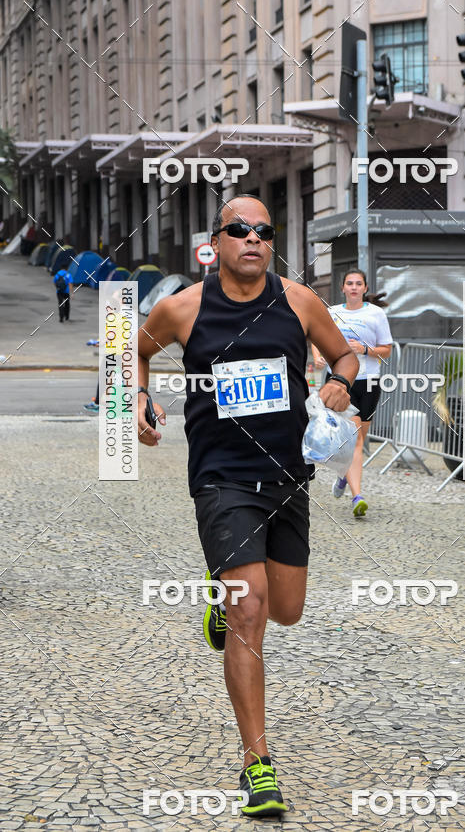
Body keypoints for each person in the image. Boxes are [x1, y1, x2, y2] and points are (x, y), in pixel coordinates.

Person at [136, 195, 358, 817]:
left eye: (265, 230)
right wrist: (137, 399)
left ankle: (219, 589)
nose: (254, 239)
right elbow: (135, 351)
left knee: (286, 610)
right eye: (241, 230)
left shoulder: (298, 300)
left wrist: (338, 382)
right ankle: (257, 764)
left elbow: (344, 355)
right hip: (222, 479)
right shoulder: (184, 308)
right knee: (251, 611)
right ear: (218, 242)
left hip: (287, 476)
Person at [312, 268, 392, 518]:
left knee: (358, 440)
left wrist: (365, 350)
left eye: (359, 283)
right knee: (353, 440)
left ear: (365, 289)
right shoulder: (333, 313)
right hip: (340, 380)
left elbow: (387, 350)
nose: (354, 287)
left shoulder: (376, 314)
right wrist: (317, 356)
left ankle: (343, 476)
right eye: (350, 283)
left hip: (368, 381)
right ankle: (358, 496)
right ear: (343, 288)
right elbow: (316, 338)